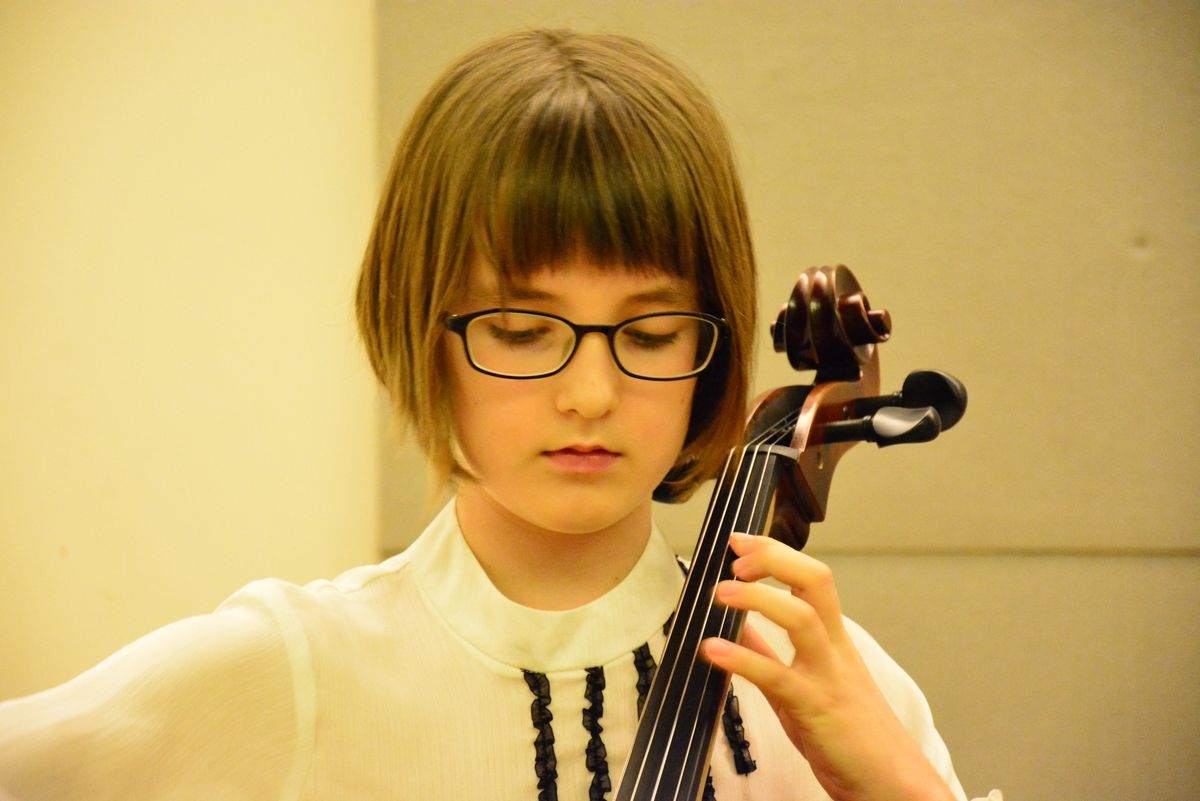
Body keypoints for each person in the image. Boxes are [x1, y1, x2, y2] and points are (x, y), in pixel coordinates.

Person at [0, 28, 1002, 801]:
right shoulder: (292, 669)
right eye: (523, 329)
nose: (590, 393)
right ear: (421, 327)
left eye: (652, 332)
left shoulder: (827, 686)